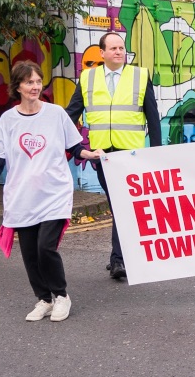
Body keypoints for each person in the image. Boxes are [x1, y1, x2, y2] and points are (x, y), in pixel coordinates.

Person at [0, 61, 102, 322]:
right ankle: (44, 299)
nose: (35, 87)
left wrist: (90, 154)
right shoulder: (9, 120)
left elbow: (75, 147)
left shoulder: (56, 114)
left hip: (54, 192)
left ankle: (62, 295)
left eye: (37, 81)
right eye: (29, 82)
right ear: (18, 87)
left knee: (46, 247)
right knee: (30, 251)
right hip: (22, 196)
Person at [66, 31, 162, 281]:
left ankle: (119, 259)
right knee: (119, 205)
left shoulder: (140, 76)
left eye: (122, 48)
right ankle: (122, 256)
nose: (119, 52)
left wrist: (157, 153)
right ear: (102, 53)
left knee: (122, 204)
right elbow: (70, 115)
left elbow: (153, 116)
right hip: (102, 155)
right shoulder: (87, 78)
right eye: (114, 48)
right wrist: (73, 145)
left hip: (130, 153)